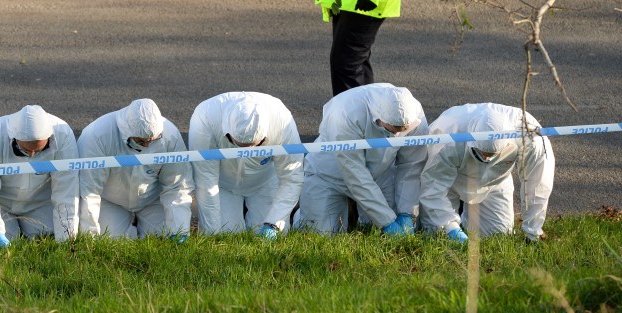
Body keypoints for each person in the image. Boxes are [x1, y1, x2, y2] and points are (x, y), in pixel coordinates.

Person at [294, 83, 428, 236]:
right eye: (391, 130)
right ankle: (303, 209)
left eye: (402, 131)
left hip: (381, 174)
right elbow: (355, 175)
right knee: (318, 232)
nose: (396, 136)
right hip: (330, 174)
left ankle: (356, 216)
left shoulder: (414, 114)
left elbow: (412, 165)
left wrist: (407, 213)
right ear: (379, 116)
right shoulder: (346, 113)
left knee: (373, 231)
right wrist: (387, 221)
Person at [419, 103, 555, 243]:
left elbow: (538, 184)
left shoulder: (530, 135)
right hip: (451, 179)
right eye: (482, 154)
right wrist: (450, 228)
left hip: (495, 180)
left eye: (492, 155)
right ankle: (457, 212)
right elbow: (432, 186)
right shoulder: (449, 135)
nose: (486, 158)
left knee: (498, 236)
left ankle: (468, 218)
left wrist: (532, 231)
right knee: (435, 235)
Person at [187, 92, 304, 238]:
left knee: (274, 238)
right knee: (228, 237)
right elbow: (205, 179)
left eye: (256, 145)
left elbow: (291, 176)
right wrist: (213, 234)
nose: (248, 152)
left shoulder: (281, 119)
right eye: (239, 146)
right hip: (222, 185)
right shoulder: (205, 117)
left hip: (265, 181)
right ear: (228, 132)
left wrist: (274, 223)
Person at [78, 99, 193, 240]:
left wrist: (179, 229)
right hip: (110, 200)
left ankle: (139, 227)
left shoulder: (170, 135)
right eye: (140, 142)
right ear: (127, 131)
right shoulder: (97, 135)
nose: (146, 146)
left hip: (153, 199)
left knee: (161, 240)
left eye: (152, 141)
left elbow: (176, 185)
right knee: (108, 241)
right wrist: (89, 236)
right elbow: (89, 189)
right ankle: (131, 230)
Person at [0, 105, 80, 247]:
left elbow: (66, 190)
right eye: (25, 150)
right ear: (13, 137)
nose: (32, 155)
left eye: (39, 150)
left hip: (40, 203)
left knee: (50, 238)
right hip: (2, 204)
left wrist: (67, 239)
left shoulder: (63, 134)